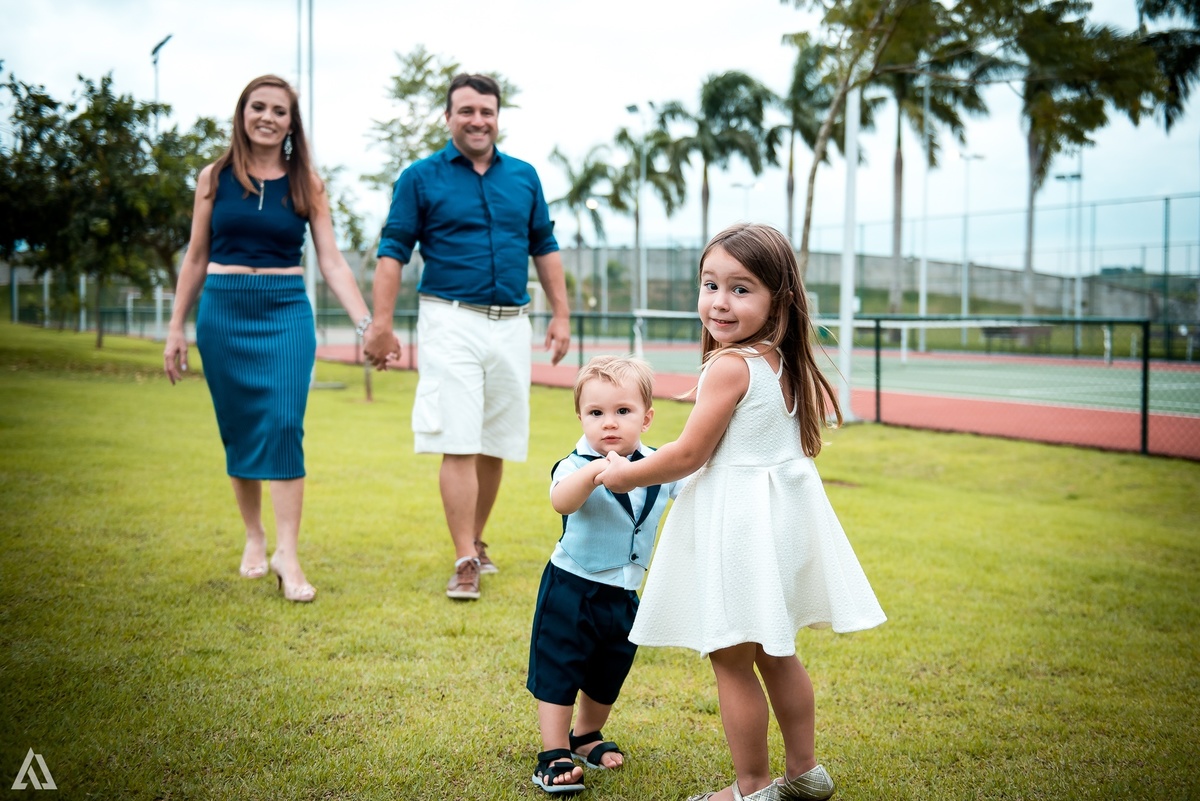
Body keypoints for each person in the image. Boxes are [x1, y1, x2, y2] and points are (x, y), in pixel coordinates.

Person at [596, 223, 887, 801]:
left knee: (732, 659)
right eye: (710, 285)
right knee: (777, 651)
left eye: (741, 288)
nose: (719, 302)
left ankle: (751, 789)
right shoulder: (781, 360)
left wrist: (623, 472)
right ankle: (804, 773)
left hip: (739, 529)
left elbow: (688, 454)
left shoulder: (730, 366)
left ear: (778, 298)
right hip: (774, 524)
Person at [163, 75, 373, 603]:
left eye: (279, 111)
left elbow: (330, 261)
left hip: (285, 313)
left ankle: (288, 553)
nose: (268, 117)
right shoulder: (213, 177)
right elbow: (194, 256)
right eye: (258, 107)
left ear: (290, 123)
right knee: (239, 430)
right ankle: (255, 537)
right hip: (223, 311)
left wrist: (367, 324)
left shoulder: (308, 184)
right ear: (242, 113)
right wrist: (174, 329)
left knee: (283, 426)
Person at [363, 72, 570, 602]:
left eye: (486, 111)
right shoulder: (420, 177)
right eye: (466, 111)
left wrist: (561, 315)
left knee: (495, 442)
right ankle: (463, 561)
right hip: (449, 319)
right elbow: (393, 251)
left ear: (497, 116)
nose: (477, 120)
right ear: (448, 116)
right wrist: (381, 324)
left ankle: (477, 542)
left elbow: (544, 246)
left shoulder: (523, 177)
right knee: (458, 438)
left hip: (512, 323)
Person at [527, 356, 685, 794]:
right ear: (581, 417)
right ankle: (554, 750)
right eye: (596, 413)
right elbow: (562, 501)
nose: (608, 423)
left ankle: (585, 735)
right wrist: (596, 473)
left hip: (625, 593)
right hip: (572, 588)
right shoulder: (575, 465)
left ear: (647, 417)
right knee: (561, 664)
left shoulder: (656, 465)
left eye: (623, 411)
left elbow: (689, 485)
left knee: (609, 668)